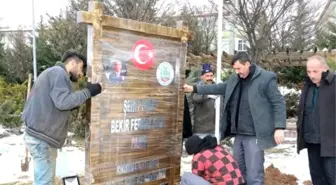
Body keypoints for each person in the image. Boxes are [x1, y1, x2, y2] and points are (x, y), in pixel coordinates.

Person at [183, 52, 286, 185]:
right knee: (239, 174)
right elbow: (218, 88)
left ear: (247, 64)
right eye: (235, 69)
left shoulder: (265, 78)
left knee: (254, 175)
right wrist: (195, 88)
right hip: (238, 133)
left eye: (239, 68)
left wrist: (279, 127)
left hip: (254, 134)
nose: (237, 72)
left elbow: (278, 102)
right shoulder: (235, 79)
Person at [22, 51, 102, 185]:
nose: (81, 73)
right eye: (81, 67)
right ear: (72, 63)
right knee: (44, 182)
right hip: (42, 139)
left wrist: (75, 103)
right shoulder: (58, 73)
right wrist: (89, 92)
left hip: (38, 137)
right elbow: (63, 102)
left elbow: (56, 103)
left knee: (42, 179)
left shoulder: (53, 73)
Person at [296, 55, 336, 185]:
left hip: (331, 143)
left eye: (315, 71)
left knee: (332, 177)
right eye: (309, 71)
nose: (311, 75)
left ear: (324, 68)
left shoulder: (334, 84)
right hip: (311, 140)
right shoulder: (308, 85)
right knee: (317, 178)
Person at [192, 64, 217, 138]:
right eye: (207, 76)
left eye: (211, 75)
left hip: (215, 129)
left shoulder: (216, 87)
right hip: (201, 130)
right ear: (202, 77)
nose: (209, 78)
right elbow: (197, 98)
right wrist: (208, 95)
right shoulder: (198, 87)